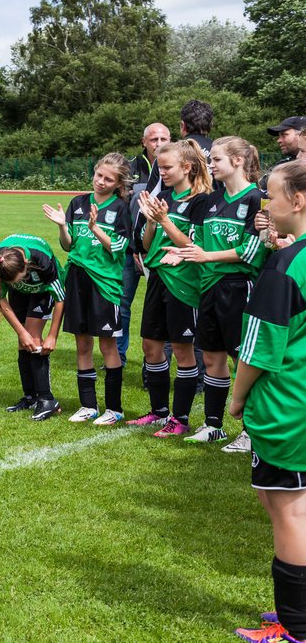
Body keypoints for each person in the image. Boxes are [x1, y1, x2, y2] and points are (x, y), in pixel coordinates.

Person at [228, 160, 306, 643]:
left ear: (297, 202)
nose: (265, 206)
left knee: (289, 511)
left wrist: (236, 399)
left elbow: (258, 347)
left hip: (288, 406)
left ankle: (295, 627)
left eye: (272, 196)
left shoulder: (285, 265)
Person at [160, 137, 266, 444]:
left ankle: (250, 431)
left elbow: (251, 251)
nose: (211, 166)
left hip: (238, 287)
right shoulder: (212, 200)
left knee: (243, 360)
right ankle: (213, 425)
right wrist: (185, 252)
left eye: (216, 159)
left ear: (237, 161)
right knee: (212, 357)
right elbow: (201, 243)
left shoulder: (257, 200)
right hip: (208, 286)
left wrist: (206, 256)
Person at [129, 139, 213, 435]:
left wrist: (164, 220)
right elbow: (147, 244)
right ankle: (159, 412)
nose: (161, 172)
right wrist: (151, 222)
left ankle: (181, 418)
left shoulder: (202, 200)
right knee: (151, 347)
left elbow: (192, 246)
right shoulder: (163, 195)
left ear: (187, 167)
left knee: (182, 350)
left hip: (184, 285)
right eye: (159, 167)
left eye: (167, 167)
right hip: (158, 280)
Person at [42, 153, 132, 424]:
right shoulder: (78, 202)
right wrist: (62, 226)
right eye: (98, 175)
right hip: (77, 279)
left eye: (108, 179)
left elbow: (118, 248)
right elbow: (68, 245)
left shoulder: (121, 208)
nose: (101, 182)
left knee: (108, 346)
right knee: (82, 343)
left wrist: (95, 229)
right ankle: (88, 405)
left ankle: (114, 409)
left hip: (104, 283)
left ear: (118, 183)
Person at [0, 234, 67, 421]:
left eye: (19, 279)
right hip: (20, 293)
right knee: (24, 341)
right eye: (12, 282)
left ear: (26, 263)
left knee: (33, 336)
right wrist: (20, 332)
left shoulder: (43, 262)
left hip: (42, 290)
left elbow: (60, 299)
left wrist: (52, 335)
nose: (16, 283)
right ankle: (30, 397)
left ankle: (47, 400)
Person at [120, 123, 171, 362]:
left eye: (164, 138)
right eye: (154, 139)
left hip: (160, 251)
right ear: (144, 142)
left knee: (162, 308)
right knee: (122, 305)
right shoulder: (129, 169)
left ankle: (162, 357)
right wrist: (132, 249)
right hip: (131, 250)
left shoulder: (176, 168)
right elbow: (121, 210)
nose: (159, 143)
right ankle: (118, 355)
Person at [261, 116, 306, 190]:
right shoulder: (282, 165)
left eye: (284, 135)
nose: (279, 140)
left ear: (302, 134)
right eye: (279, 136)